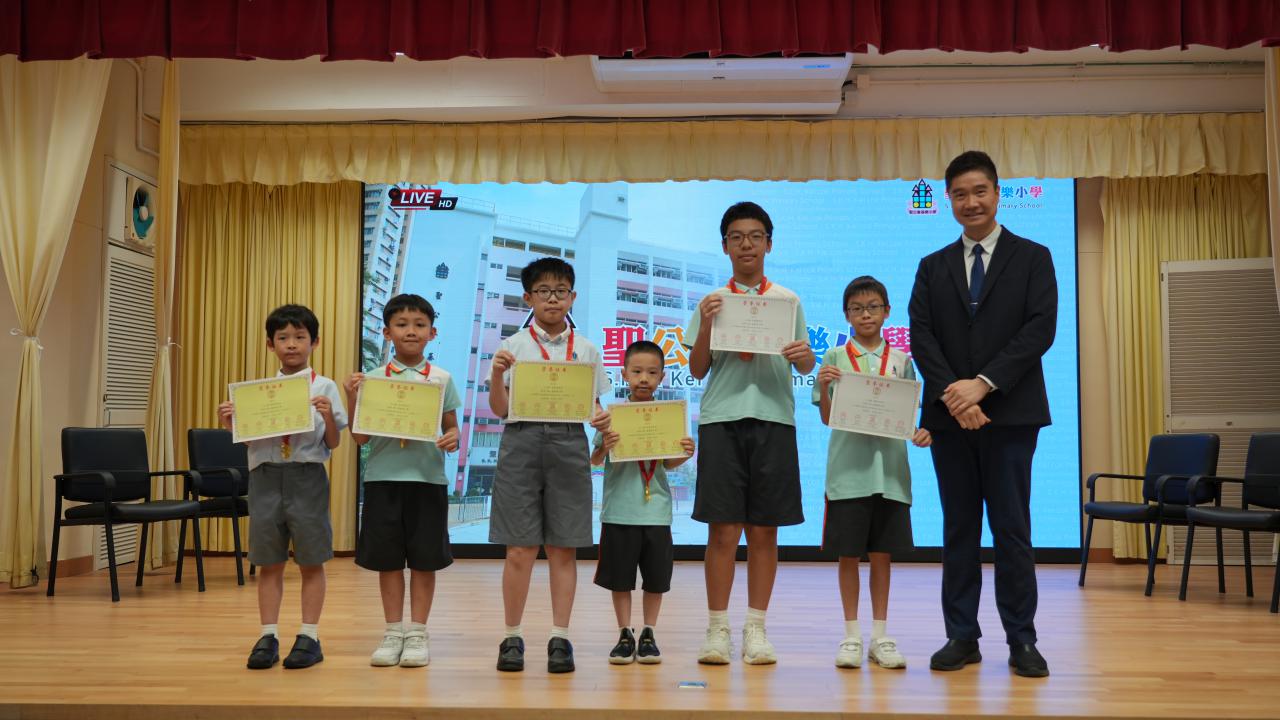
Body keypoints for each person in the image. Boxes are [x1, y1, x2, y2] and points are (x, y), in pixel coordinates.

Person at [908, 150, 1058, 678]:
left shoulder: (1034, 257)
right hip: (950, 420)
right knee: (959, 530)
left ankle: (1022, 639)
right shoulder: (932, 266)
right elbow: (922, 336)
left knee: (1012, 528)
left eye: (979, 191)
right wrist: (957, 396)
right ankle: (962, 636)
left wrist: (983, 385)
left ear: (997, 193)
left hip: (1011, 416)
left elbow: (1039, 329)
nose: (970, 202)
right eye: (959, 194)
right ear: (948, 200)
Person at [682, 201, 816, 665]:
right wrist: (707, 323)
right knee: (722, 531)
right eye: (737, 237)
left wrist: (805, 357)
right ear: (725, 246)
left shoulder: (788, 300)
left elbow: (805, 363)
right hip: (722, 420)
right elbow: (697, 369)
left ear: (769, 244)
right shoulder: (712, 301)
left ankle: (755, 628)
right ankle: (717, 628)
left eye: (755, 236)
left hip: (774, 420)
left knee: (764, 532)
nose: (746, 244)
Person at [487, 257, 613, 674]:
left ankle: (561, 638)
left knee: (563, 547)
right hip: (520, 442)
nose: (553, 299)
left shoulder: (587, 349)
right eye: (544, 291)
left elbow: (595, 405)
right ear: (529, 297)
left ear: (573, 297)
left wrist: (601, 418)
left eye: (561, 291)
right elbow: (500, 409)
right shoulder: (512, 346)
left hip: (569, 442)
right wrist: (496, 376)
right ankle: (511, 636)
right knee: (519, 549)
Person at [218, 304, 347, 670]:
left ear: (314, 342)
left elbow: (334, 443)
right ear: (270, 344)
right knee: (269, 560)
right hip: (265, 477)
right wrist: (229, 424)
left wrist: (327, 416)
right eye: (283, 338)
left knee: (311, 559)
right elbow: (250, 441)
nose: (291, 344)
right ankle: (268, 635)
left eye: (300, 337)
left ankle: (309, 635)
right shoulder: (259, 393)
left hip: (307, 476)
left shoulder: (324, 387)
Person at [813, 276, 932, 670]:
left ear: (887, 312)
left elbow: (907, 417)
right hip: (848, 475)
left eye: (873, 307)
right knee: (848, 555)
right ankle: (851, 635)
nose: (865, 314)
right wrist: (824, 388)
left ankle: (880, 636)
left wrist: (920, 432)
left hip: (890, 475)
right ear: (846, 314)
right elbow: (827, 418)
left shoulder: (901, 360)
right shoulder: (834, 357)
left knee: (882, 555)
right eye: (857, 309)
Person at [343, 294, 462, 668]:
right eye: (402, 324)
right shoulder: (372, 380)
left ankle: (418, 633)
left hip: (428, 481)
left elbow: (452, 428)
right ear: (387, 332)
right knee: (388, 561)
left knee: (425, 561)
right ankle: (393, 631)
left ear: (432, 333)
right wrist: (351, 396)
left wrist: (453, 438)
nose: (411, 331)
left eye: (419, 325)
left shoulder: (441, 379)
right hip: (383, 480)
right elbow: (360, 437)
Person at [591, 340, 695, 665]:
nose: (644, 379)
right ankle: (625, 633)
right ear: (624, 374)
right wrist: (605, 446)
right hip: (619, 512)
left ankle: (649, 633)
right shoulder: (611, 417)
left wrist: (685, 453)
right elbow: (594, 460)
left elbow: (667, 463)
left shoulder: (668, 417)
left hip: (656, 513)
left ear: (662, 377)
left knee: (656, 580)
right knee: (620, 580)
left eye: (652, 372)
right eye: (637, 372)